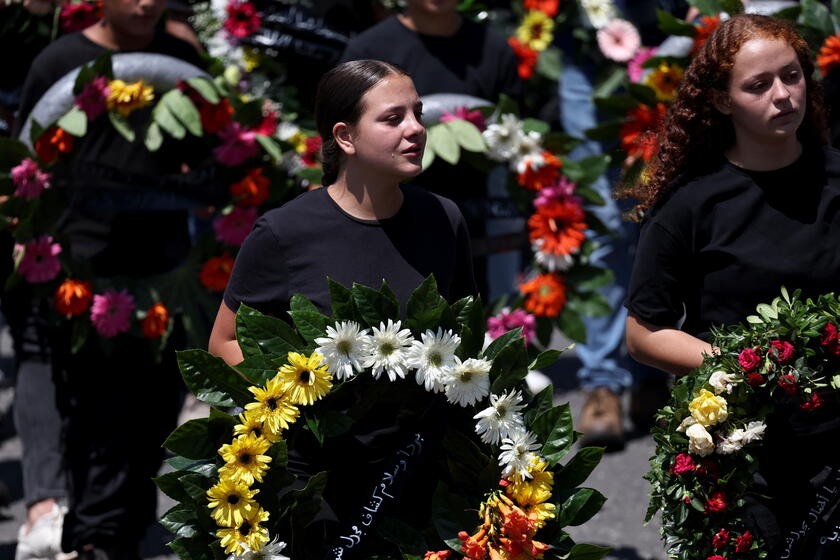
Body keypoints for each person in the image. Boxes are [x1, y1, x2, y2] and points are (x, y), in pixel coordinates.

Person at [208, 59, 476, 559]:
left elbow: (464, 342)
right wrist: (303, 403)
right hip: (318, 480)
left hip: (418, 470)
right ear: (345, 137)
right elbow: (224, 344)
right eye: (393, 118)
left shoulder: (444, 219)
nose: (417, 128)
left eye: (417, 113)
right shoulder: (284, 233)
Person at [624, 13, 840, 555]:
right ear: (721, 100)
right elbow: (645, 332)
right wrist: (748, 368)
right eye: (758, 85)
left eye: (792, 76)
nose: (783, 95)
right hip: (744, 454)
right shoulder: (690, 204)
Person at [12, 0, 211, 557]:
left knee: (154, 413)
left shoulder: (178, 59)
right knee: (97, 423)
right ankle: (97, 540)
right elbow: (27, 165)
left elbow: (213, 150)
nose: (146, 4)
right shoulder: (61, 61)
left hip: (166, 273)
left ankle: (120, 529)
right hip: (83, 277)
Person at [339, 0, 522, 302]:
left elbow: (514, 134)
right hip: (387, 224)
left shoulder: (494, 49)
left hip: (476, 231)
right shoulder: (368, 51)